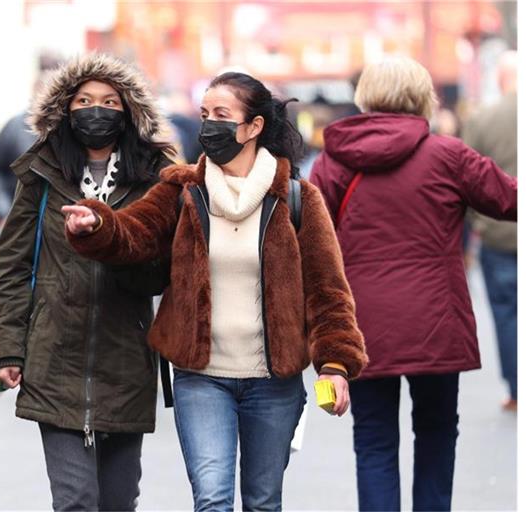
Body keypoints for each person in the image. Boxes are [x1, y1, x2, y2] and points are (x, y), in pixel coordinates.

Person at [63, 71, 368, 511]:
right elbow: (135, 232)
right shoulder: (182, 190)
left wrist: (336, 363)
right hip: (200, 378)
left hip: (274, 381)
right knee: (212, 499)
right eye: (204, 114)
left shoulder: (299, 199)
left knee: (263, 501)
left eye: (221, 115)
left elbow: (328, 290)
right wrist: (98, 223)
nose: (209, 125)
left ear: (254, 126)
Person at [309, 56, 517, 512]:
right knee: (438, 432)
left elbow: (310, 241)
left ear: (365, 96)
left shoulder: (332, 162)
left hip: (361, 327)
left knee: (374, 440)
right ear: (424, 97)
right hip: (436, 324)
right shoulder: (448, 155)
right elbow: (510, 200)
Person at [0, 53, 175, 512]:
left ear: (128, 111)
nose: (97, 109)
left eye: (110, 101)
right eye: (85, 100)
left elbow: (162, 269)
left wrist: (109, 239)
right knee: (75, 501)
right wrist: (11, 347)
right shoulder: (43, 174)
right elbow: (10, 264)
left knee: (117, 502)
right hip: (54, 357)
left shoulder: (153, 178)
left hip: (126, 359)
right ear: (65, 110)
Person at [462, 50, 518, 411]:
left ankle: (517, 388)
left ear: (500, 78)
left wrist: (475, 226)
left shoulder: (483, 118)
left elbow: (465, 179)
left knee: (506, 313)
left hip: (499, 234)